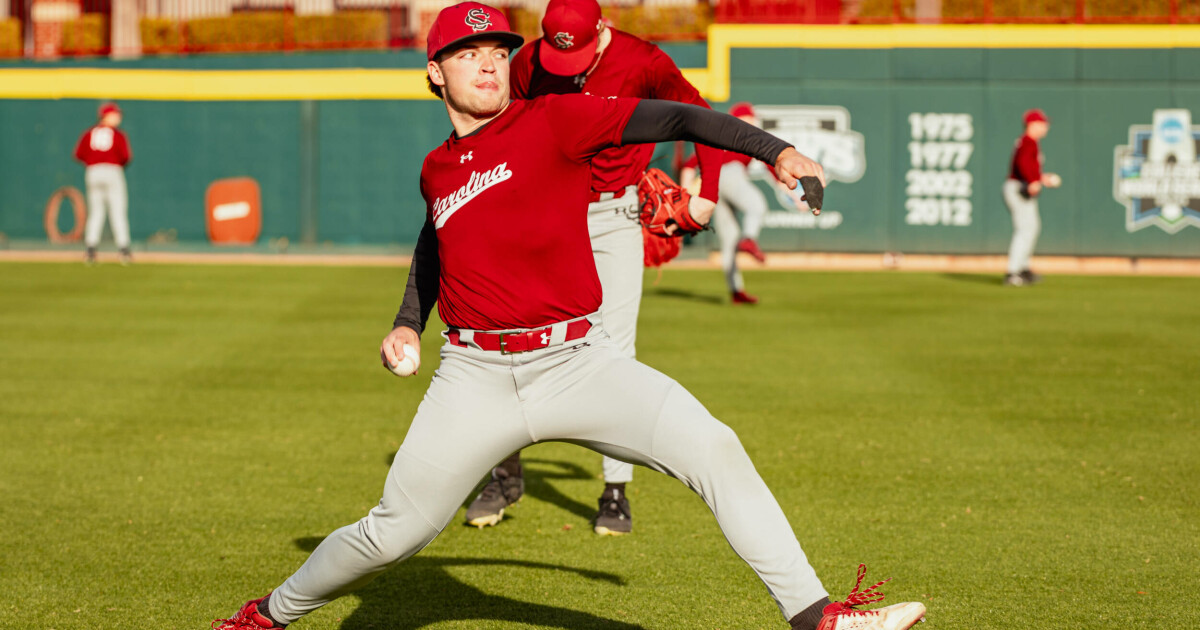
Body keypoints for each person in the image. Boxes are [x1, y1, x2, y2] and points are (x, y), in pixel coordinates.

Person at [212, 4, 926, 630]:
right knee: (391, 536)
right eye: (468, 54)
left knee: (713, 446)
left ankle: (817, 615)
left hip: (579, 364)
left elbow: (677, 115)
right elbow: (436, 242)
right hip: (473, 377)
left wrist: (776, 151)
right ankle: (266, 615)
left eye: (498, 53)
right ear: (436, 73)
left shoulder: (556, 119)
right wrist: (407, 322)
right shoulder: (437, 169)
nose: (489, 65)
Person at [462, 0, 725, 536]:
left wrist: (707, 195)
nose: (570, 68)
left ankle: (615, 490)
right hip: (542, 211)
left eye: (579, 54)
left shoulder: (643, 61)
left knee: (614, 349)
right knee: (513, 337)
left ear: (602, 30)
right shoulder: (530, 62)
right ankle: (505, 472)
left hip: (613, 214)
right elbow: (492, 133)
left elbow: (702, 117)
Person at [680, 102, 800, 305]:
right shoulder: (732, 135)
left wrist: (794, 196)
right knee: (757, 205)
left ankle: (736, 291)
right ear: (737, 119)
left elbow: (772, 168)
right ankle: (749, 239)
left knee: (729, 240)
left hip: (715, 186)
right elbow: (690, 164)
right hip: (728, 174)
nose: (751, 123)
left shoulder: (724, 136)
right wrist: (683, 192)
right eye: (748, 119)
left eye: (752, 120)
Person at [1003, 108, 1061, 286]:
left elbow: (1028, 166)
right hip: (1019, 188)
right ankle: (1013, 272)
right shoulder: (1028, 141)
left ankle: (1023, 268)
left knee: (1031, 228)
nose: (1046, 126)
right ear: (1032, 124)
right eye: (1042, 123)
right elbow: (1022, 164)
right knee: (1025, 229)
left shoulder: (1029, 142)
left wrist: (1041, 178)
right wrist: (1032, 181)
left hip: (1022, 186)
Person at [74, 102, 133, 265]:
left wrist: (94, 161)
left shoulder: (89, 133)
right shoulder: (117, 134)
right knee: (118, 211)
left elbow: (79, 154)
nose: (118, 116)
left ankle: (90, 250)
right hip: (112, 170)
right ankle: (124, 250)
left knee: (96, 212)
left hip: (92, 171)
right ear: (106, 116)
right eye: (115, 114)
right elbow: (126, 157)